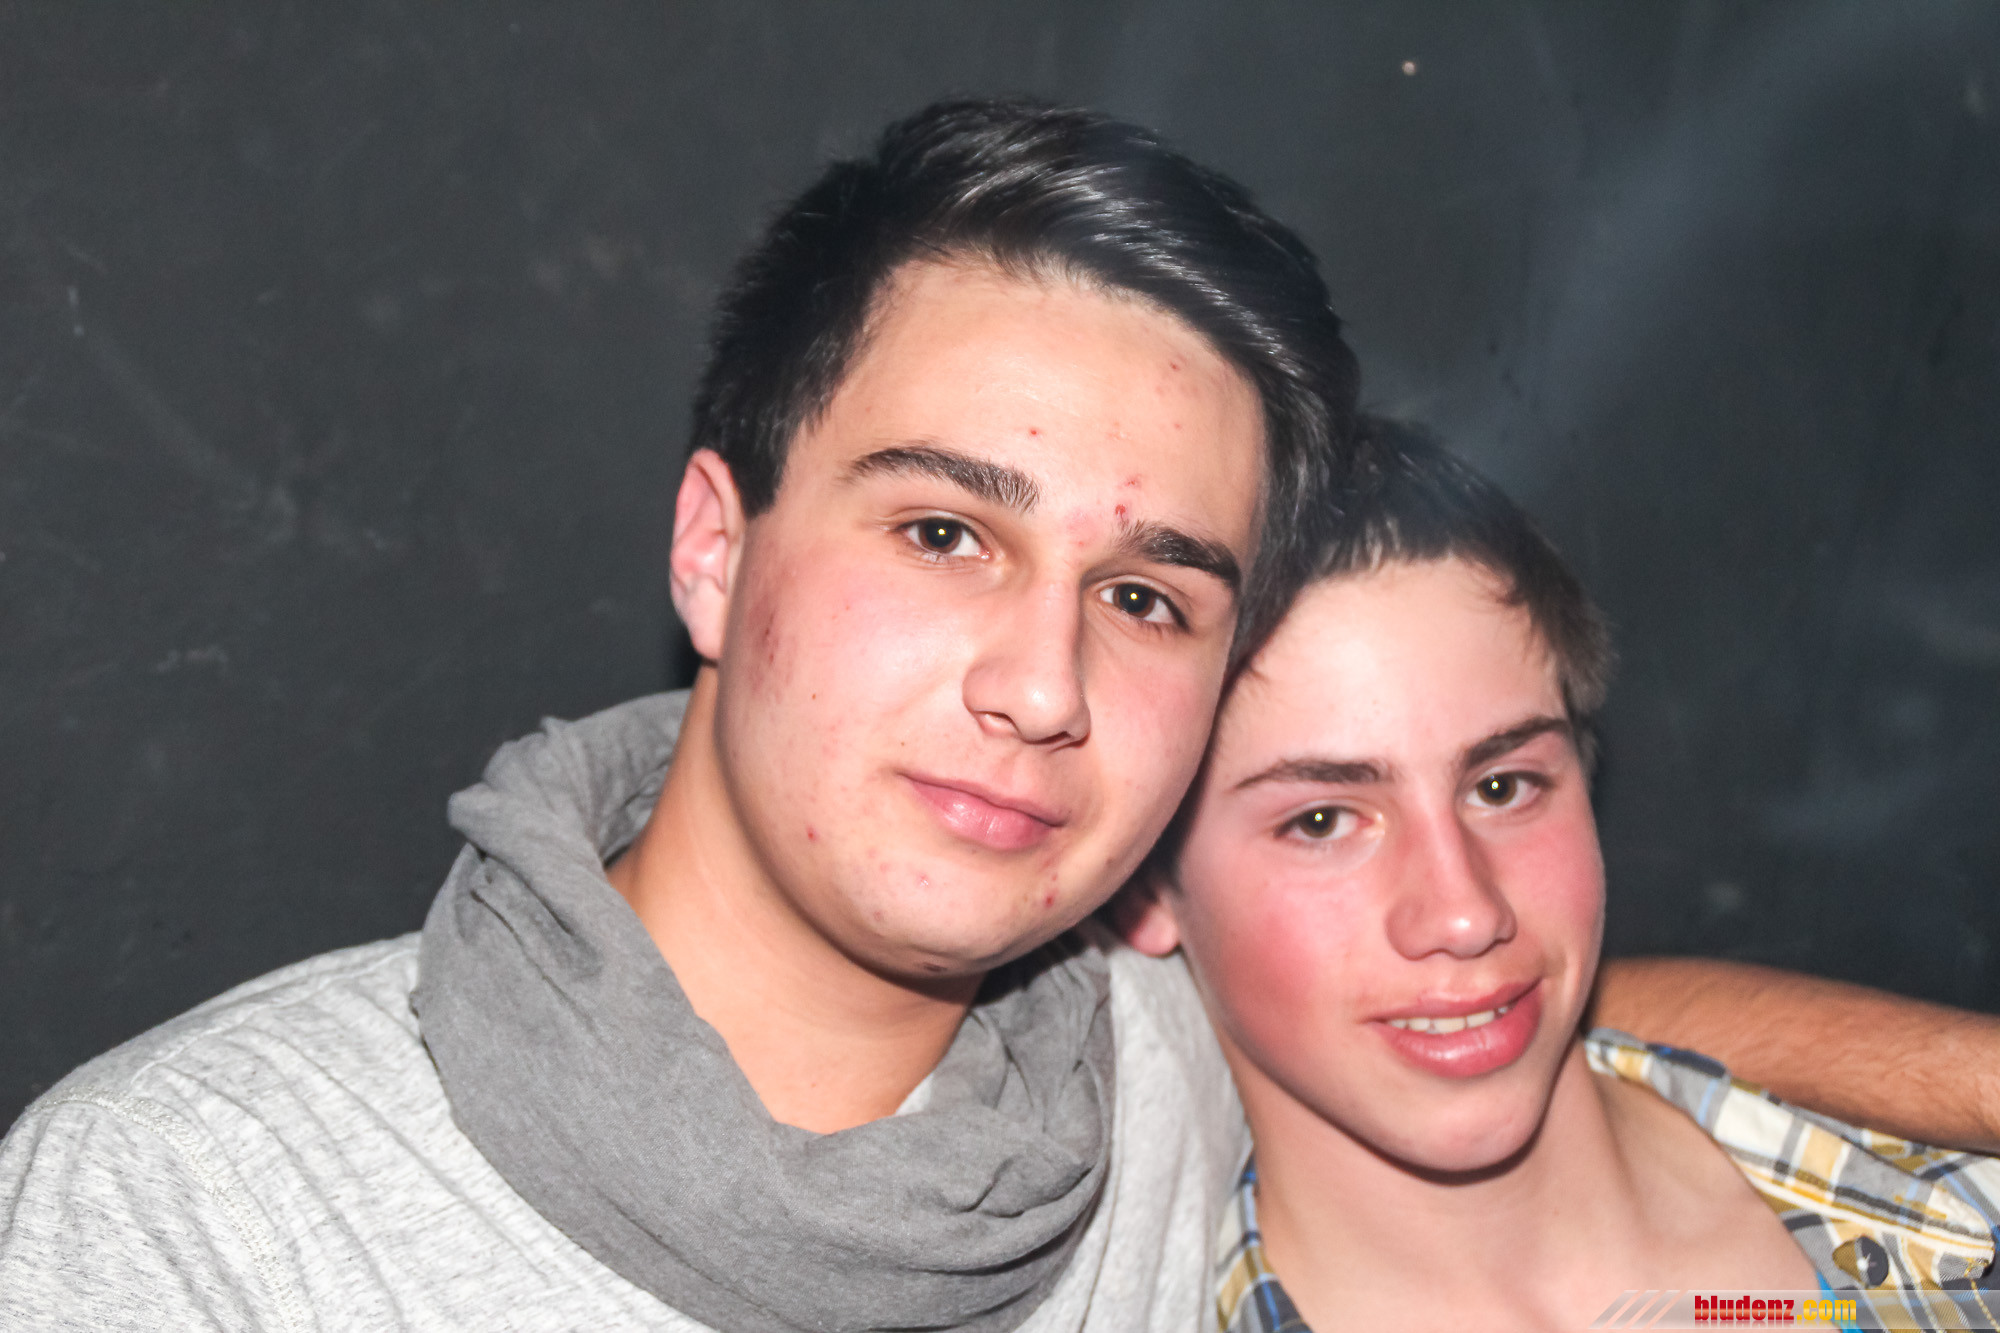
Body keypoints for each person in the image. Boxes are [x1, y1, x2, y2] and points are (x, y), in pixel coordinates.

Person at [0, 96, 1986, 1333]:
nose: (1042, 686)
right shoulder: (195, 1210)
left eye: (1145, 596)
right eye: (945, 530)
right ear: (714, 549)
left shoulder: (1157, 1069)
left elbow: (1522, 993)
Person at [1117, 420, 2000, 1332]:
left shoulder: (1965, 1210)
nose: (1465, 912)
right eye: (1321, 821)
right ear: (1143, 881)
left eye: (1502, 786)